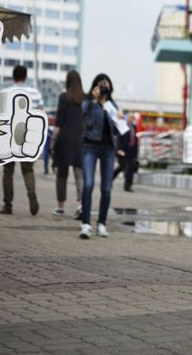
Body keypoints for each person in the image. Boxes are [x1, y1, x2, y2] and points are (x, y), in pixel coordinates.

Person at [79, 73, 126, 239]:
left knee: (106, 188)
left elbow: (119, 129)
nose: (104, 87)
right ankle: (85, 224)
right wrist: (93, 101)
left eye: (106, 85)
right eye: (101, 85)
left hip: (108, 149)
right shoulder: (88, 103)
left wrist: (121, 118)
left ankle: (101, 224)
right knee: (88, 185)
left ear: (110, 87)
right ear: (95, 87)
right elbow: (85, 121)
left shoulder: (113, 105)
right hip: (90, 146)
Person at [0, 65, 44, 215]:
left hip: (9, 135)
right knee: (28, 169)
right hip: (28, 136)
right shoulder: (35, 93)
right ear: (25, 77)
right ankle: (31, 195)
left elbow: (0, 114)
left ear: (13, 77)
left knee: (8, 171)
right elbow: (40, 113)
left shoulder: (5, 92)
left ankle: (8, 205)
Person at [52, 70, 85, 218]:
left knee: (61, 175)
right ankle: (82, 206)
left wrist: (53, 139)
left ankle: (60, 207)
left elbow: (59, 120)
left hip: (64, 139)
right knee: (79, 174)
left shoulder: (63, 97)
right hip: (80, 139)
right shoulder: (85, 98)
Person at [112, 112, 140, 191]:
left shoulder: (134, 126)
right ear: (127, 118)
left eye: (132, 117)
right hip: (123, 149)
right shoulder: (123, 125)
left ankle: (127, 186)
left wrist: (135, 152)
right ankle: (109, 179)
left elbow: (134, 139)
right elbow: (118, 138)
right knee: (122, 166)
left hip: (130, 150)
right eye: (130, 117)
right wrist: (119, 149)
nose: (131, 119)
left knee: (131, 166)